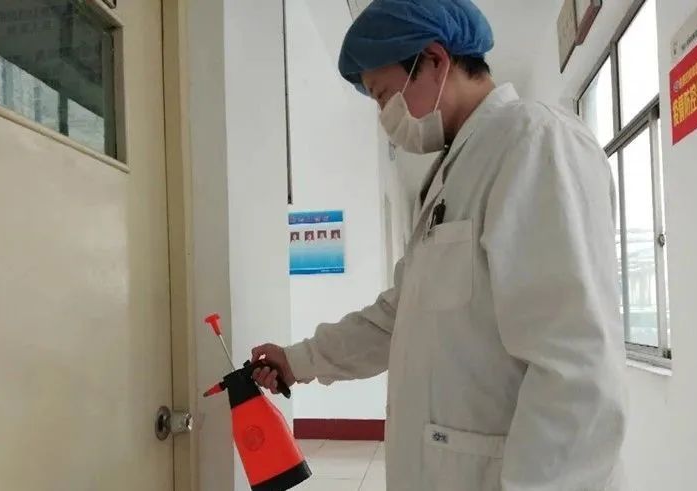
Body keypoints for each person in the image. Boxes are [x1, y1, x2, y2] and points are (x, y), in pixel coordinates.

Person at [252, 0, 627, 489]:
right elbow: (399, 316)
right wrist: (299, 359)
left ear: (433, 60)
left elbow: (576, 369)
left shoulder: (534, 142)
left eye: (384, 95)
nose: (384, 116)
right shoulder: (456, 172)